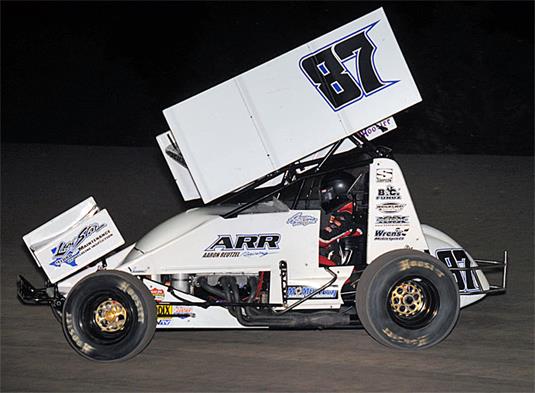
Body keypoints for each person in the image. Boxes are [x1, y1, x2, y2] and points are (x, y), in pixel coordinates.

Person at [318, 171, 366, 266]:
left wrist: (303, 233)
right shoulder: (350, 213)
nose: (325, 198)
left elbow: (323, 240)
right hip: (342, 268)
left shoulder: (347, 216)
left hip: (345, 271)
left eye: (327, 194)